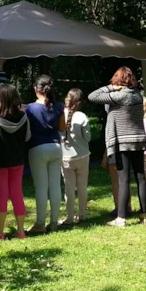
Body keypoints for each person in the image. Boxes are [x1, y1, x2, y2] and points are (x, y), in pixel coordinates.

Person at [88, 67, 146, 227]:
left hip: (122, 143)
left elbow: (92, 96)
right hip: (138, 141)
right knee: (141, 177)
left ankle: (121, 218)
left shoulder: (118, 96)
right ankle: (144, 215)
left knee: (124, 180)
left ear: (118, 80)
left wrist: (112, 87)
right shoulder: (138, 95)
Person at [0, 85, 31, 241]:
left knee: (1, 196)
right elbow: (27, 137)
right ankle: (21, 232)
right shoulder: (24, 117)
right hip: (17, 161)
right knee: (17, 194)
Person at [25, 74, 65, 234]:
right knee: (55, 186)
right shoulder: (59, 106)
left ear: (36, 90)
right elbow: (62, 128)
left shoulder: (30, 108)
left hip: (37, 148)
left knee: (41, 188)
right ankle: (54, 222)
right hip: (56, 146)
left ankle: (40, 223)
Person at [61, 88, 91, 225]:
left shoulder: (60, 115)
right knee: (82, 187)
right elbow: (88, 138)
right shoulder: (82, 116)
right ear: (79, 102)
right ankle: (82, 215)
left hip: (66, 157)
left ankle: (69, 217)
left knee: (69, 188)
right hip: (82, 155)